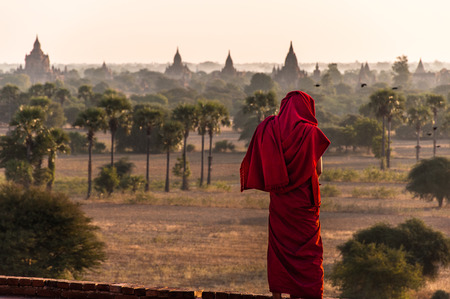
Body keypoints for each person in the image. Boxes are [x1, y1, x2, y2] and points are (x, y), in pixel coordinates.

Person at [240, 91, 330, 299]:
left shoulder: (269, 128)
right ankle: (306, 293)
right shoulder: (310, 132)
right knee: (308, 251)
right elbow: (318, 171)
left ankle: (278, 294)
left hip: (281, 201)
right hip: (304, 202)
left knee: (279, 249)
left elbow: (263, 161)